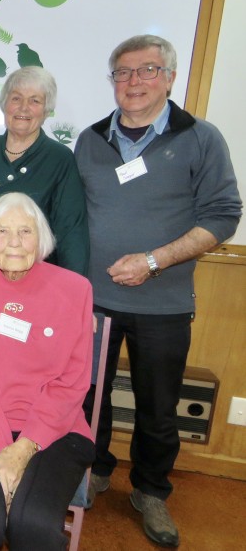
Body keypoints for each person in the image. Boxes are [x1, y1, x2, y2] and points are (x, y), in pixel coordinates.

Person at [74, 34, 242, 548]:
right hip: (93, 300)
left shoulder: (201, 138)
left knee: (158, 406)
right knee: (88, 398)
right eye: (123, 73)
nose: (134, 82)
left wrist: (153, 261)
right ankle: (95, 471)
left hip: (164, 303)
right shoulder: (90, 139)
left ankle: (150, 490)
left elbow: (223, 216)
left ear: (169, 77)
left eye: (147, 70)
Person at [0, 192, 95, 550]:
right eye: (2, 231)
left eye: (25, 231)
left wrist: (21, 450)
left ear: (41, 238)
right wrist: (3, 457)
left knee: (34, 520)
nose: (13, 242)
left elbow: (73, 383)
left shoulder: (76, 290)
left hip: (59, 425)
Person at [0, 66, 88, 275]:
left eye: (35, 100)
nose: (23, 108)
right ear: (4, 104)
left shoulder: (59, 158)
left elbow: (71, 232)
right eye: (16, 98)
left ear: (46, 110)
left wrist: (75, 290)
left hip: (32, 282)